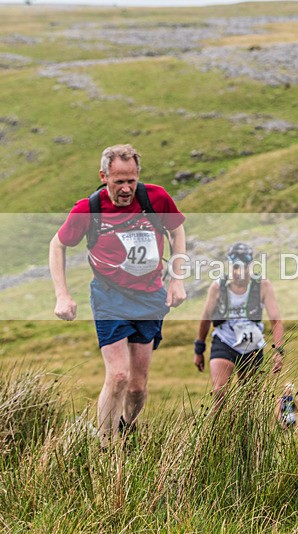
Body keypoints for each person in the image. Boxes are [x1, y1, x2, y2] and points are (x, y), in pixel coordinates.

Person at [49, 144, 187, 447]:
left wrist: (177, 280)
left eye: (131, 181)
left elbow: (177, 232)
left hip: (150, 298)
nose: (126, 189)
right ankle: (106, 448)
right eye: (118, 181)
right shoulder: (88, 209)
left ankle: (126, 429)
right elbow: (57, 245)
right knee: (119, 376)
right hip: (109, 297)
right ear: (104, 176)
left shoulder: (156, 198)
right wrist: (62, 295)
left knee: (137, 387)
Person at [193, 242, 284, 408]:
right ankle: (220, 424)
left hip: (252, 345)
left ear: (249, 266)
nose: (238, 272)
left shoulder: (262, 285)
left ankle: (241, 424)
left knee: (249, 400)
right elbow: (206, 318)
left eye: (242, 267)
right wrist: (199, 349)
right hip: (224, 340)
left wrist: (278, 351)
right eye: (235, 267)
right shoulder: (218, 286)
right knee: (219, 392)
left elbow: (276, 321)